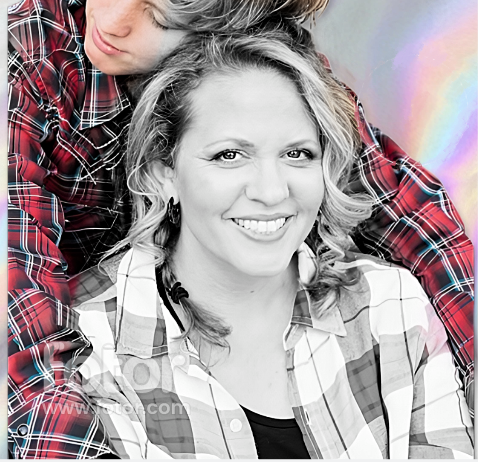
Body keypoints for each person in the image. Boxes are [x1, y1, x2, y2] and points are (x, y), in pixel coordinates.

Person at [8, 0, 473, 459]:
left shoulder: (264, 73)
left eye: (160, 17)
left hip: (226, 329)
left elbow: (407, 216)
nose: (113, 21)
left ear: (230, 38)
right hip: (85, 344)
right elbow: (16, 275)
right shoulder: (31, 57)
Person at [70, 28, 473, 459]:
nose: (271, 191)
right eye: (229, 155)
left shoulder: (390, 308)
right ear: (161, 174)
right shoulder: (86, 342)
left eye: (297, 154)